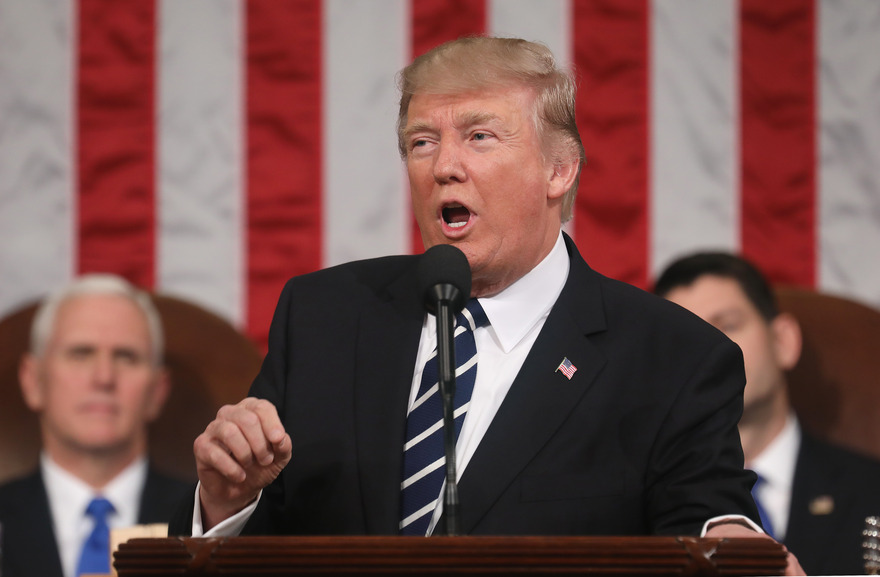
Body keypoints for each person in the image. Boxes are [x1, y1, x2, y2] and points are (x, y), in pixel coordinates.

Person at [170, 37, 802, 573]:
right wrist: (225, 503)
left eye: (479, 136)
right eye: (422, 142)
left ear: (560, 170)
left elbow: (709, 513)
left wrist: (733, 543)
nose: (445, 165)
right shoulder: (325, 316)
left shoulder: (673, 358)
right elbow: (266, 540)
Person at [654, 251, 880, 575]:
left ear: (782, 340)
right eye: (684, 339)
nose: (706, 352)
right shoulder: (633, 510)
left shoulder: (873, 492)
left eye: (727, 325)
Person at [0, 274, 191, 577]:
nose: (104, 378)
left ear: (158, 391)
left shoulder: (205, 522)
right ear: (33, 380)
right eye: (80, 353)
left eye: (126, 357)